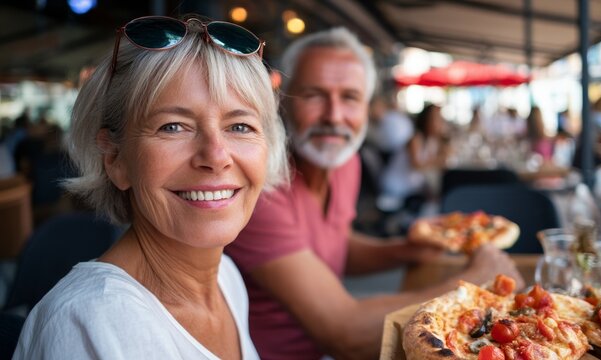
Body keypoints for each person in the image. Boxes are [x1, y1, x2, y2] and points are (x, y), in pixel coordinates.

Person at [225, 27, 525, 360]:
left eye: (349, 97)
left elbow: (335, 245)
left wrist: (406, 250)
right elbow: (346, 335)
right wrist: (472, 282)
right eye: (314, 95)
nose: (334, 115)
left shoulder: (344, 164)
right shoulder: (261, 187)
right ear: (282, 101)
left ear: (367, 108)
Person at [14, 14, 289, 359]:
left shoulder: (226, 279)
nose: (216, 157)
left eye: (240, 126)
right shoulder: (91, 323)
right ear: (114, 158)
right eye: (173, 127)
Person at [380, 103, 451, 210]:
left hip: (411, 188)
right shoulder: (415, 138)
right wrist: (440, 159)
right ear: (425, 120)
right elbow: (416, 165)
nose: (439, 123)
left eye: (441, 119)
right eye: (436, 119)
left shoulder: (431, 140)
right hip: (397, 189)